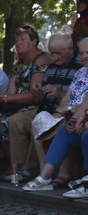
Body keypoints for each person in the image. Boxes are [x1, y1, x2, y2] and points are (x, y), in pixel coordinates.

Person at [7, 32, 77, 181]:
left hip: (66, 112)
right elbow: (41, 96)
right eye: (52, 53)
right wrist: (37, 91)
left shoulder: (80, 68)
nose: (55, 57)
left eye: (58, 53)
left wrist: (59, 93)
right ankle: (18, 167)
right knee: (16, 121)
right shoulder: (51, 68)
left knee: (38, 123)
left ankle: (31, 170)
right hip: (45, 109)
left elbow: (80, 97)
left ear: (70, 49)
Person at [23, 37, 88, 197]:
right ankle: (45, 176)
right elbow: (68, 97)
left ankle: (82, 181)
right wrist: (68, 115)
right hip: (76, 115)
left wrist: (77, 117)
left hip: (83, 118)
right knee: (63, 131)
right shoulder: (82, 72)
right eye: (83, 53)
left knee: (85, 133)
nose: (85, 56)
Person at [0, 24, 50, 143]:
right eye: (16, 40)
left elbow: (34, 96)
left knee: (0, 120)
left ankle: (13, 160)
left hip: (34, 107)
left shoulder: (41, 60)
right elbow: (11, 91)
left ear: (34, 41)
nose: (18, 43)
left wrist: (4, 98)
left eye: (23, 39)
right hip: (16, 105)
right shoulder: (19, 63)